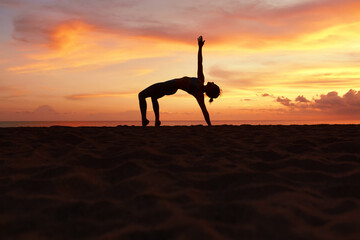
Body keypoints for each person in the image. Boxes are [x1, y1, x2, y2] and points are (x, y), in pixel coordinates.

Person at [138, 36, 221, 127]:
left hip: (170, 85)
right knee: (154, 97)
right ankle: (157, 121)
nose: (212, 82)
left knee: (141, 95)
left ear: (210, 90)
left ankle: (144, 121)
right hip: (171, 86)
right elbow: (200, 62)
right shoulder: (201, 80)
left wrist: (210, 125)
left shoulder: (199, 93)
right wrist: (200, 48)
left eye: (213, 85)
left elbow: (204, 111)